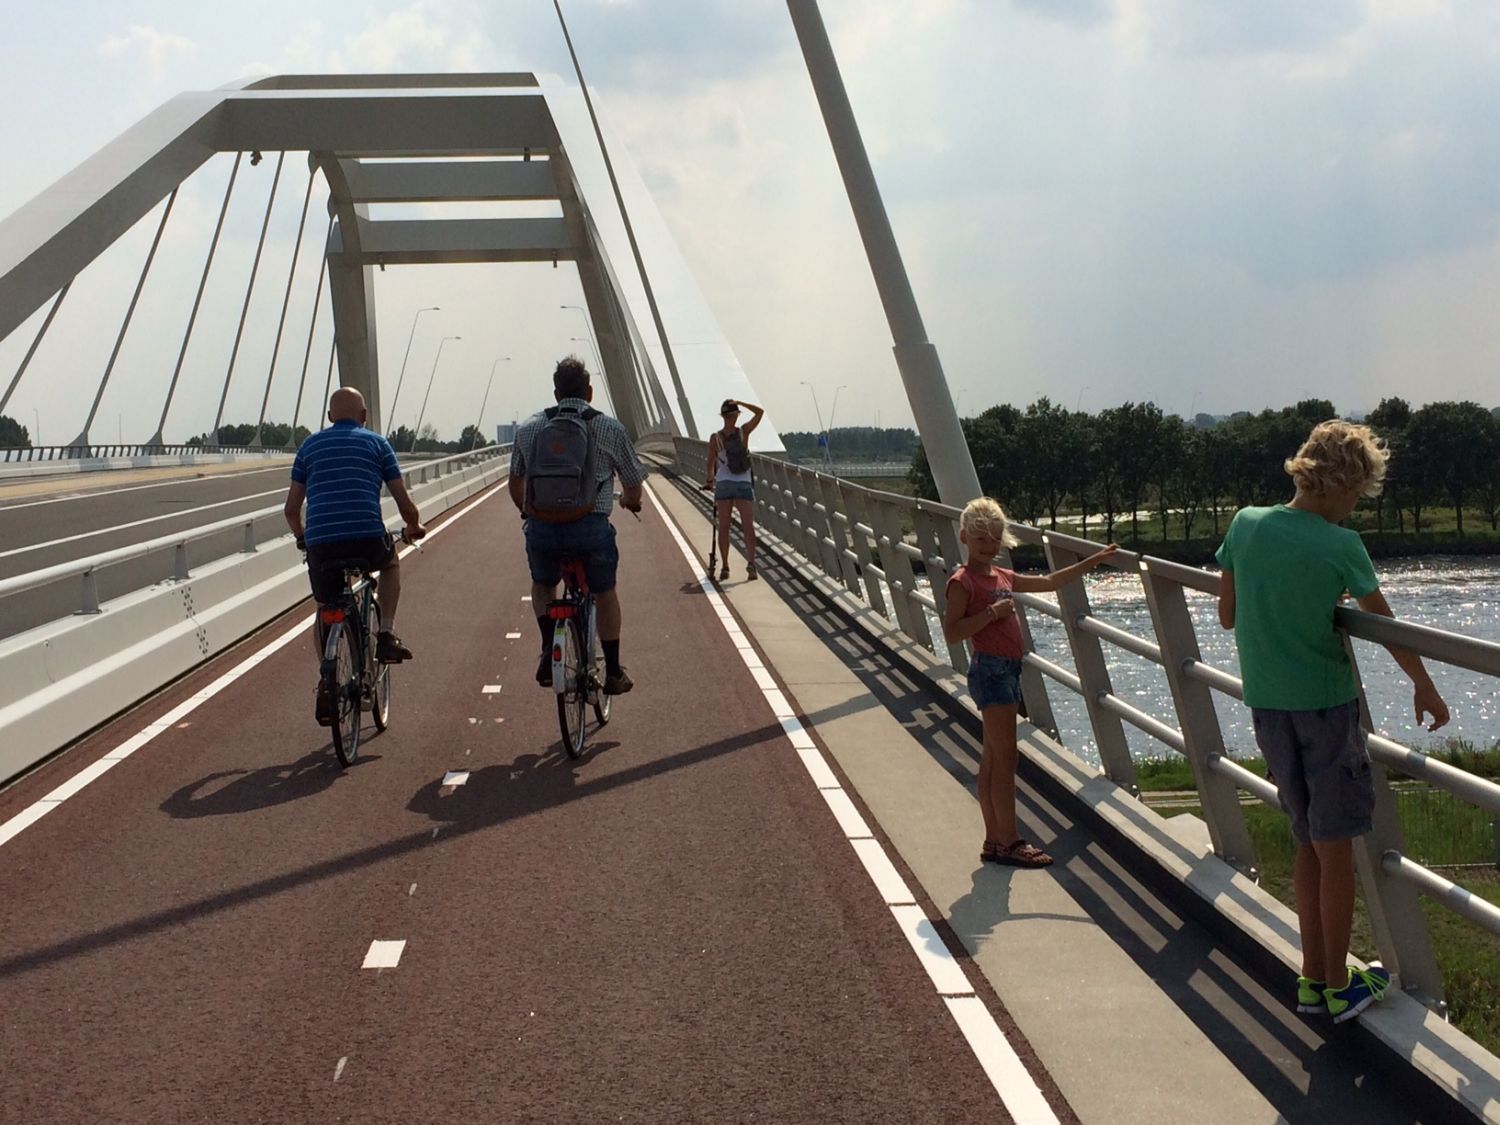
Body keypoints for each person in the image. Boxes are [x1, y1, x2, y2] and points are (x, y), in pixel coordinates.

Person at [1216, 419, 1448, 1024]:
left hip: (1268, 706)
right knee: (1338, 847)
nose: (1353, 509)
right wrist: (1423, 684)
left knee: (1306, 841)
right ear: (1342, 484)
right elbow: (1385, 620)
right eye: (1356, 496)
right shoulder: (1341, 546)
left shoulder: (1246, 523)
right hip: (1325, 706)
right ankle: (1340, 984)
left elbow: (1226, 613)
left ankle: (1312, 978)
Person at [942, 497, 1116, 868]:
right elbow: (952, 632)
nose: (988, 547)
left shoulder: (1001, 576)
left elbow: (1050, 581)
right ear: (964, 538)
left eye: (993, 540)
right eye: (980, 540)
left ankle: (994, 840)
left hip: (1008, 670)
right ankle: (1010, 840)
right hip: (991, 672)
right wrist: (990, 614)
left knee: (993, 759)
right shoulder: (962, 582)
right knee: (1005, 759)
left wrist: (1094, 560)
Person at [510, 356, 645, 694]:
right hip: (590, 528)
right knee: (604, 591)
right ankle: (613, 671)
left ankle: (547, 648)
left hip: (542, 529)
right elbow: (632, 483)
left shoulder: (529, 429)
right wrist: (632, 500)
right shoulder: (610, 428)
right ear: (589, 392)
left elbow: (515, 481)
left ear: (556, 394)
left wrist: (530, 512)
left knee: (543, 585)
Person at [285, 388, 424, 707]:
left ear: (330, 417)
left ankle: (326, 678)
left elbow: (291, 510)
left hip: (321, 543)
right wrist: (414, 527)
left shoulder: (309, 447)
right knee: (390, 564)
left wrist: (303, 537)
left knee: (326, 606)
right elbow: (405, 505)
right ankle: (386, 634)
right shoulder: (378, 444)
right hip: (366, 538)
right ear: (364, 417)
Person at [704, 398, 763, 581]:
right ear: (736, 416)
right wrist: (741, 403)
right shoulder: (744, 432)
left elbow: (710, 463)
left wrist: (709, 481)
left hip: (724, 484)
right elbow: (760, 412)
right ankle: (751, 564)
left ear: (722, 416)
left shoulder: (715, 438)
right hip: (743, 483)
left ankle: (726, 566)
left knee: (724, 527)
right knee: (747, 526)